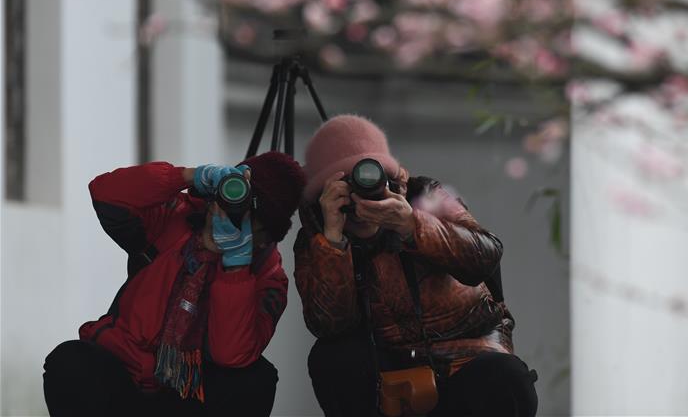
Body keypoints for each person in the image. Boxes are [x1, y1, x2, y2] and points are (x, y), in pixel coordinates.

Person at [294, 114, 538, 417]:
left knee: (507, 378)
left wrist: (412, 225)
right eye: (346, 188)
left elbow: (485, 257)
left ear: (393, 179)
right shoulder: (318, 236)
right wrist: (333, 241)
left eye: (370, 180)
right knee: (331, 357)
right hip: (386, 366)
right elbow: (329, 326)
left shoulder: (426, 198)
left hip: (465, 355)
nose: (361, 199)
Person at [43, 151, 305, 417]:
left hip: (191, 394)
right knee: (70, 362)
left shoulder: (268, 277)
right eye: (232, 204)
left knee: (255, 380)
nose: (233, 218)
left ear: (266, 237)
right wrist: (188, 175)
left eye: (251, 219)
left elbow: (230, 354)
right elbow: (105, 193)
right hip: (126, 372)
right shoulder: (176, 216)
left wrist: (235, 265)